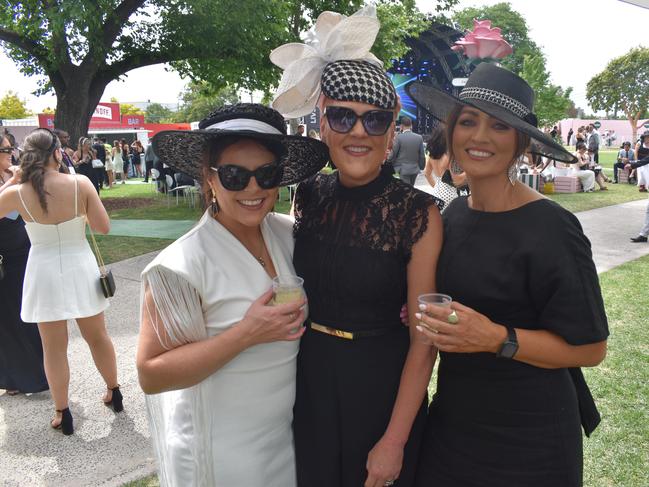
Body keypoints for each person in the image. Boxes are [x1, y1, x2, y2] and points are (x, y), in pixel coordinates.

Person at [407, 62, 608, 487]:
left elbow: (591, 349)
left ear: (519, 143)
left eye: (499, 127)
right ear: (452, 131)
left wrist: (498, 337)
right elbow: (462, 300)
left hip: (528, 440)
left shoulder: (552, 228)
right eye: (468, 121)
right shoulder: (455, 213)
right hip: (453, 426)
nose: (479, 137)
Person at [271, 6, 444, 486]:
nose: (358, 133)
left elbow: (422, 340)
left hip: (382, 388)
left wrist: (394, 440)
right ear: (322, 123)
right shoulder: (307, 194)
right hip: (308, 383)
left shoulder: (418, 213)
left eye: (375, 121)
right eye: (343, 117)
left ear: (392, 133)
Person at [136, 103, 329, 486]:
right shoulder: (181, 265)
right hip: (219, 455)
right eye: (234, 176)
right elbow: (151, 374)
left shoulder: (288, 235)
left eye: (266, 174)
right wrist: (247, 334)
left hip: (282, 443)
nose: (253, 188)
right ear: (209, 178)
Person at [0, 128, 123, 436]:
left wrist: (12, 182)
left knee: (53, 348)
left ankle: (62, 412)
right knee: (98, 337)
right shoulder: (79, 184)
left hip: (42, 271)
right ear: (57, 152)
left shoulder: (18, 192)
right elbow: (103, 227)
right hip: (80, 264)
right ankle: (114, 391)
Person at [0, 131, 49, 397]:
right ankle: (18, 379)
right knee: (9, 321)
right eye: (6, 150)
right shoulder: (10, 178)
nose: (12, 154)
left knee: (30, 315)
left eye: (11, 150)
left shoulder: (13, 173)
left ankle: (42, 373)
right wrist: (13, 182)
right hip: (4, 261)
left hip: (26, 252)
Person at [423, 124, 466, 210]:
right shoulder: (450, 155)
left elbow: (426, 173)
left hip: (437, 191)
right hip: (452, 194)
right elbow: (457, 179)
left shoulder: (432, 155)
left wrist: (436, 186)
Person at [388, 116, 426, 185]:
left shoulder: (399, 137)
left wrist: (388, 161)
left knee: (407, 189)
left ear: (401, 126)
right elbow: (422, 155)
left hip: (403, 169)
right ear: (411, 125)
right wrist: (421, 167)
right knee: (411, 188)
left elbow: (394, 153)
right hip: (415, 169)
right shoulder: (419, 137)